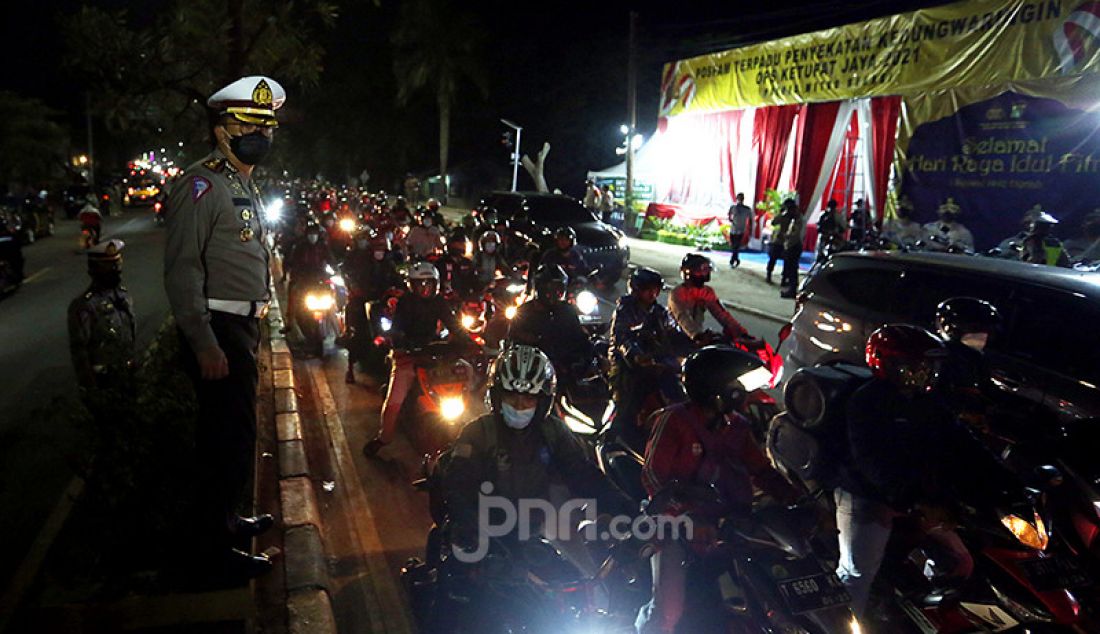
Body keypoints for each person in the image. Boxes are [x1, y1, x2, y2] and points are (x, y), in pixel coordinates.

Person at [164, 75, 285, 577]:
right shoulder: (202, 184)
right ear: (221, 130)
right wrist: (203, 340)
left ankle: (229, 520)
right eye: (248, 124)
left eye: (267, 126)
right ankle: (212, 553)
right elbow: (183, 268)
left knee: (235, 435)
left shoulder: (241, 182)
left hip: (241, 328)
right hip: (217, 329)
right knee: (223, 441)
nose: (260, 134)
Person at [835, 324, 1015, 617]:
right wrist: (916, 500)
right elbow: (873, 461)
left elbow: (963, 443)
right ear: (888, 363)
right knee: (857, 574)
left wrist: (1008, 480)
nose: (924, 372)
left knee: (959, 562)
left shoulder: (927, 402)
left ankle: (919, 615)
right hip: (869, 497)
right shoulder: (867, 401)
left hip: (920, 499)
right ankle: (841, 622)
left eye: (929, 366)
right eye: (915, 365)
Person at [441, 345, 635, 598]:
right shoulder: (478, 432)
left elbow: (584, 475)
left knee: (591, 591)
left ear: (542, 401)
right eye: (512, 396)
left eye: (529, 398)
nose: (520, 405)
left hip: (537, 532)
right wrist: (471, 527)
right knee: (463, 602)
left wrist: (626, 508)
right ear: (497, 396)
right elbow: (459, 487)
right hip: (484, 537)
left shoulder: (554, 432)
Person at [637, 346, 800, 633]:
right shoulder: (674, 421)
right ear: (714, 389)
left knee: (779, 583)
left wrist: (796, 499)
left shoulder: (736, 426)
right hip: (675, 523)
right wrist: (687, 516)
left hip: (730, 521)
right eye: (735, 385)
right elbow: (653, 477)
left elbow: (761, 470)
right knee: (668, 611)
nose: (742, 391)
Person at [363, 262, 467, 457]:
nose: (426, 288)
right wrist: (403, 343)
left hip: (432, 353)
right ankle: (384, 437)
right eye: (421, 283)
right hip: (409, 354)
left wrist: (467, 342)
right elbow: (396, 330)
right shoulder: (405, 303)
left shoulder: (440, 302)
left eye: (430, 283)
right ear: (412, 285)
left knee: (464, 374)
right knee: (395, 399)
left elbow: (454, 325)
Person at [608, 267, 696, 450]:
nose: (653, 293)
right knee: (627, 402)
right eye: (648, 289)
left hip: (658, 362)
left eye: (656, 289)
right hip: (628, 364)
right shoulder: (625, 309)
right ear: (636, 289)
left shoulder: (660, 312)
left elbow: (674, 334)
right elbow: (621, 337)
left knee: (680, 395)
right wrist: (636, 355)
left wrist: (696, 344)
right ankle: (613, 440)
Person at [507, 264, 594, 384]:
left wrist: (594, 355)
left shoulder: (567, 310)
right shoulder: (525, 311)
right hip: (533, 371)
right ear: (539, 288)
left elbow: (579, 336)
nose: (554, 293)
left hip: (565, 368)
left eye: (558, 289)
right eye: (550, 288)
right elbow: (514, 341)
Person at [67, 239, 136, 391]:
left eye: (117, 264)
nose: (116, 270)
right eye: (109, 266)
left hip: (128, 374)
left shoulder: (123, 296)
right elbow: (80, 351)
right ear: (95, 270)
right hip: (104, 381)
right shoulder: (85, 305)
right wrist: (90, 387)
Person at [342, 230, 403, 383]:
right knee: (357, 332)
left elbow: (397, 280)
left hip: (383, 304)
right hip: (364, 302)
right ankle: (350, 369)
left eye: (382, 249)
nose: (379, 252)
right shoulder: (362, 263)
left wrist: (401, 290)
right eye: (377, 249)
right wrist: (358, 290)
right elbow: (355, 278)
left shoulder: (389, 264)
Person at [668, 254, 751, 343]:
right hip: (675, 339)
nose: (704, 274)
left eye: (706, 271)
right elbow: (683, 317)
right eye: (700, 271)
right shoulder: (677, 293)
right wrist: (697, 335)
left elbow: (721, 313)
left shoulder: (706, 292)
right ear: (688, 272)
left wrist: (740, 332)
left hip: (697, 339)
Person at [284, 223, 336, 337]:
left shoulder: (323, 247)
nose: (313, 236)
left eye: (315, 234)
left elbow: (331, 260)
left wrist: (336, 271)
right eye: (310, 234)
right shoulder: (300, 247)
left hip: (320, 280)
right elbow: (293, 262)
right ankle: (289, 322)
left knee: (333, 298)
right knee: (294, 295)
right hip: (304, 279)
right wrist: (296, 273)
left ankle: (337, 328)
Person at [433, 229, 478, 298]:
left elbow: (474, 281)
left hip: (465, 299)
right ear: (450, 244)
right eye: (457, 244)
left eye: (462, 244)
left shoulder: (467, 263)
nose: (460, 246)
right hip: (446, 299)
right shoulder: (441, 262)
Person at [778, 199, 804, 298]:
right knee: (791, 268)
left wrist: (784, 236)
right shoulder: (794, 219)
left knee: (792, 269)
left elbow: (795, 235)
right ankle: (791, 289)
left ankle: (792, 291)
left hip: (795, 246)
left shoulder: (799, 220)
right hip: (791, 245)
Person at [726, 193, 753, 268]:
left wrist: (750, 228)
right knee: (734, 246)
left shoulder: (747, 209)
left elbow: (750, 219)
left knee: (736, 245)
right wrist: (731, 220)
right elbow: (729, 215)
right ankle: (736, 259)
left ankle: (732, 260)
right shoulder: (733, 207)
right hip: (733, 229)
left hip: (741, 230)